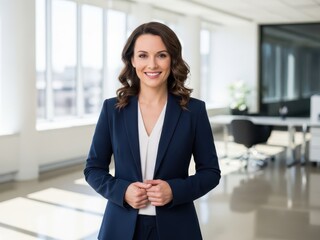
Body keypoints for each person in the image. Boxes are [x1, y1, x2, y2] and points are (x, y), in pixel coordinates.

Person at [84, 21, 221, 240]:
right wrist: (122, 191)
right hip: (121, 226)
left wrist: (175, 191)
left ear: (172, 59)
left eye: (161, 55)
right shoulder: (112, 110)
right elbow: (93, 169)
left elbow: (211, 173)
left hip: (177, 226)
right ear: (132, 60)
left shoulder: (193, 111)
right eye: (143, 55)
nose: (152, 65)